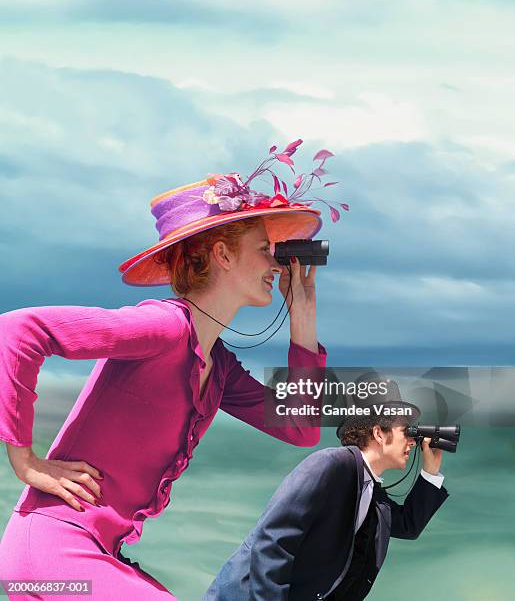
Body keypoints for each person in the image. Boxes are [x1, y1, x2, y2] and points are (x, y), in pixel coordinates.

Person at [0, 142, 335, 599]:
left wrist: (303, 317)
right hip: (49, 556)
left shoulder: (220, 370)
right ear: (222, 254)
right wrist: (25, 461)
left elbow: (301, 429)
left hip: (90, 557)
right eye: (264, 249)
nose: (276, 263)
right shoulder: (162, 327)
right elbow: (18, 330)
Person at [203, 386, 450, 601]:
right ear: (378, 433)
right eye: (406, 431)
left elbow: (407, 525)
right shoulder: (331, 464)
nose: (412, 441)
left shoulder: (370, 491)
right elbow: (273, 540)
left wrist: (430, 471)